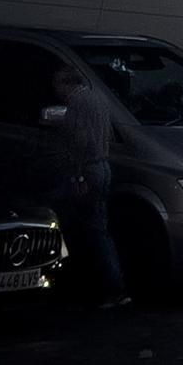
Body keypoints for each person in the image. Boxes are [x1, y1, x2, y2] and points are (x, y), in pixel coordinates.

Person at [46, 62, 129, 308]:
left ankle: (93, 283)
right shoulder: (99, 99)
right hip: (102, 166)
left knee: (80, 227)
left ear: (65, 83)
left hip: (87, 168)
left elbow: (78, 141)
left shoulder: (78, 104)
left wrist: (76, 175)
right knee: (98, 228)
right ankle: (113, 285)